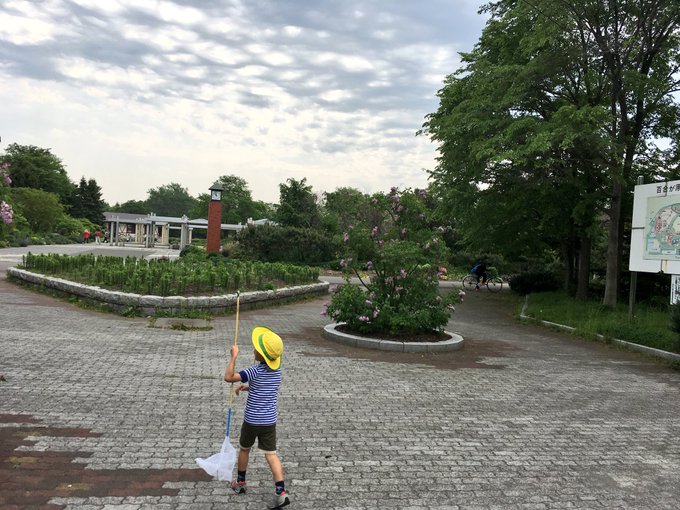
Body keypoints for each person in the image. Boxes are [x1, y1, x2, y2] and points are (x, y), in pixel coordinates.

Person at [224, 326, 290, 509]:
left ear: (261, 355)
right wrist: (248, 387)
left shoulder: (254, 370)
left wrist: (233, 356)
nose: (254, 349)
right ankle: (281, 492)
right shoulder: (277, 372)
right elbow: (264, 388)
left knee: (244, 449)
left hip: (252, 421)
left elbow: (228, 377)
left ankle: (241, 483)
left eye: (257, 349)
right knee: (271, 455)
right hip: (269, 421)